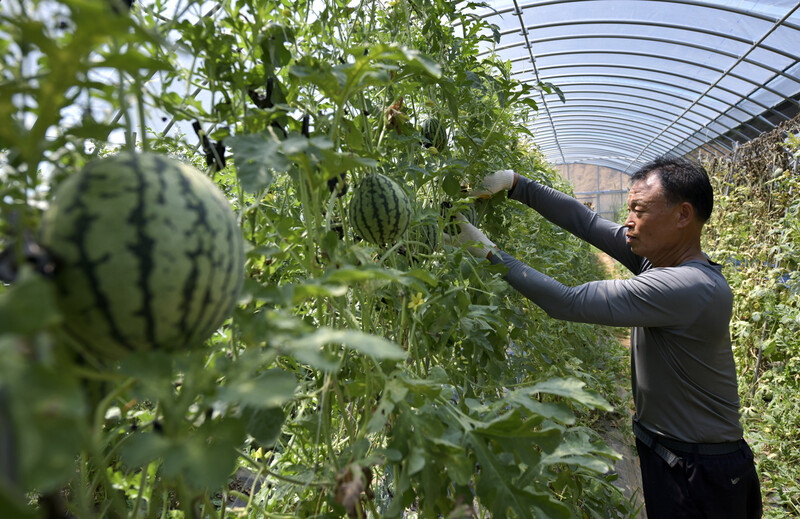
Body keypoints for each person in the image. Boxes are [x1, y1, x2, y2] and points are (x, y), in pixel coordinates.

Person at [451, 157, 762, 519]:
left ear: (683, 215)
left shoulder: (688, 286)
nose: (628, 220)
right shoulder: (661, 261)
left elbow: (565, 301)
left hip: (702, 471)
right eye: (629, 208)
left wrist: (487, 252)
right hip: (675, 455)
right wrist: (516, 183)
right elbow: (585, 222)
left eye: (639, 210)